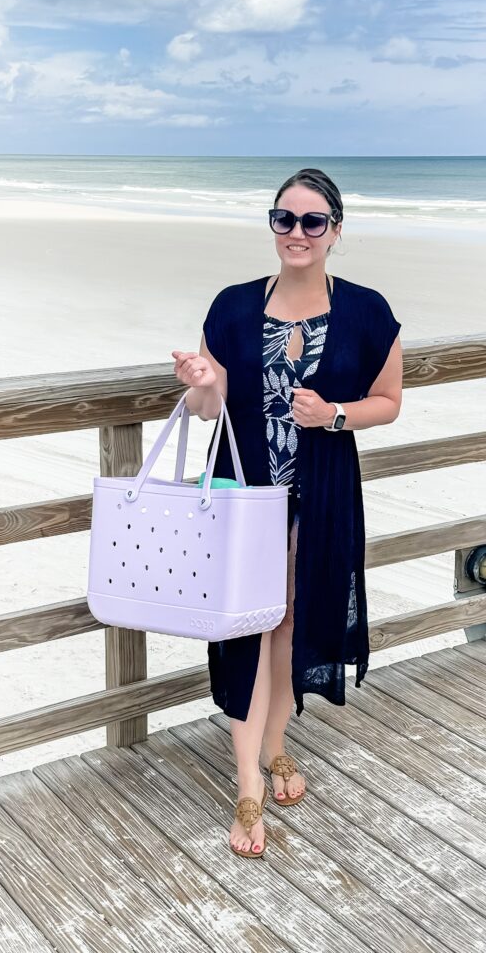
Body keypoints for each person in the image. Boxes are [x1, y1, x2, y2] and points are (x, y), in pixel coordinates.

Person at [171, 168, 403, 858]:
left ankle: (275, 745)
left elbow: (388, 401)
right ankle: (246, 782)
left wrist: (332, 413)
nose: (296, 233)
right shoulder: (233, 307)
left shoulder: (364, 311)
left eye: (311, 222)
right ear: (271, 226)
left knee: (289, 624)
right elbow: (206, 411)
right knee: (247, 626)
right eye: (284, 219)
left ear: (335, 230)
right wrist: (204, 385)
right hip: (245, 499)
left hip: (322, 496)